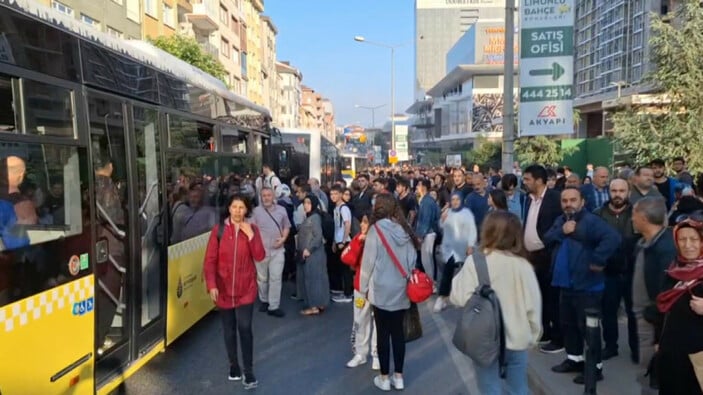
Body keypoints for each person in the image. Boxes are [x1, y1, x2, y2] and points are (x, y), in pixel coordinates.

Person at [449, 211, 542, 395]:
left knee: (489, 387)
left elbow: (457, 297)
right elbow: (533, 306)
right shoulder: (523, 266)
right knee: (519, 388)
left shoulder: (475, 261)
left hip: (485, 338)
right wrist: (533, 336)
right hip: (516, 337)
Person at [544, 187, 620, 384]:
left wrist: (597, 259)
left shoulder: (591, 221)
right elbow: (547, 238)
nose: (568, 204)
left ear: (582, 202)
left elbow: (612, 238)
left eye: (573, 200)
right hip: (565, 285)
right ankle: (574, 359)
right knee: (569, 326)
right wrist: (562, 231)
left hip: (587, 286)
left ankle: (595, 368)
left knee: (589, 329)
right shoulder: (560, 221)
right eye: (565, 200)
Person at [203, 194, 265, 390]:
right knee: (229, 331)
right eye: (234, 207)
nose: (238, 211)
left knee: (245, 329)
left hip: (246, 289)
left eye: (241, 207)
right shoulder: (219, 230)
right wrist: (211, 284)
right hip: (223, 290)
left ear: (246, 210)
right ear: (229, 209)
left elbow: (260, 255)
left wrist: (252, 236)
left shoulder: (252, 229)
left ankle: (248, 371)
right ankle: (233, 365)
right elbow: (210, 260)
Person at [359, 193, 419, 391]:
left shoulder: (376, 230)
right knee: (398, 334)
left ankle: (384, 378)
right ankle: (399, 376)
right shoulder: (405, 229)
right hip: (401, 288)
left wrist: (363, 287)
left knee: (382, 335)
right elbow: (412, 261)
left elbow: (368, 262)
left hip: (381, 289)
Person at [631, 197, 677, 389]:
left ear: (643, 217)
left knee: (652, 371)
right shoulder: (645, 243)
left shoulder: (665, 249)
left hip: (652, 320)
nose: (632, 219)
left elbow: (666, 293)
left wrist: (658, 331)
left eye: (634, 215)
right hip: (645, 316)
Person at [656, 217, 703, 395]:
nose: (688, 244)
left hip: (698, 355)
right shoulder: (673, 270)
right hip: (671, 352)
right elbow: (663, 308)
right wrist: (657, 340)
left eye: (694, 239)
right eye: (682, 239)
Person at [594, 179, 639, 361]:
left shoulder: (638, 213)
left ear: (628, 192)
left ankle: (636, 350)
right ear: (609, 191)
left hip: (633, 272)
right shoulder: (598, 214)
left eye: (622, 190)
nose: (618, 194)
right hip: (609, 272)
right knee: (608, 312)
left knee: (634, 313)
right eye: (614, 190)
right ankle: (611, 346)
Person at [522, 165, 564, 353]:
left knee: (552, 298)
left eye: (528, 179)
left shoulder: (555, 199)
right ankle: (545, 331)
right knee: (538, 296)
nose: (525, 182)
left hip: (549, 255)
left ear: (539, 180)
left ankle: (559, 337)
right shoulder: (528, 199)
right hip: (532, 256)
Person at [341, 215, 379, 370]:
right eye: (362, 222)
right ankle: (360, 353)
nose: (363, 225)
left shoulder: (379, 241)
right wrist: (358, 243)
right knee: (359, 320)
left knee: (378, 323)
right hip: (360, 288)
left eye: (366, 222)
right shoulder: (358, 238)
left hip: (377, 288)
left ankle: (376, 354)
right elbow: (346, 258)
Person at [434, 191, 477, 313]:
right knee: (447, 272)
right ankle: (442, 297)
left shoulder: (467, 213)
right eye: (453, 200)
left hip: (463, 248)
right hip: (450, 248)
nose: (455, 202)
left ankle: (465, 297)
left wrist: (470, 245)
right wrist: (442, 219)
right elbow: (441, 227)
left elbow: (472, 230)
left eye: (457, 199)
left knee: (466, 273)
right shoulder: (448, 213)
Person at [251, 187, 291, 317]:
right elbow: (250, 230)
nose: (266, 198)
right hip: (261, 251)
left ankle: (274, 306)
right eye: (264, 195)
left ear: (273, 196)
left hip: (277, 251)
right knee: (262, 279)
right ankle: (264, 300)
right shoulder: (255, 212)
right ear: (261, 197)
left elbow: (287, 226)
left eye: (269, 195)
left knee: (276, 278)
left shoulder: (282, 210)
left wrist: (284, 238)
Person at [297, 194, 330, 316]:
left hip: (313, 254)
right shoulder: (312, 216)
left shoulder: (314, 218)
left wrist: (308, 249)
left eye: (308, 203)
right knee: (318, 279)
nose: (306, 205)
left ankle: (314, 306)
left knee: (312, 280)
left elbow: (318, 236)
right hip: (316, 254)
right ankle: (320, 303)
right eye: (305, 203)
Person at [415, 179, 440, 282]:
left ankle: (431, 282)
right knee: (427, 259)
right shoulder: (426, 200)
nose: (416, 187)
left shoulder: (427, 202)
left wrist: (420, 236)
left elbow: (426, 220)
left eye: (418, 185)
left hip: (428, 234)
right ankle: (431, 281)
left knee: (427, 260)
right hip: (428, 233)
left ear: (423, 187)